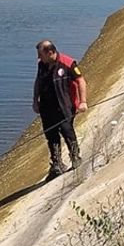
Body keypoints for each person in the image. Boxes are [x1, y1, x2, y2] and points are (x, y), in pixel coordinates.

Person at [33, 39, 87, 178]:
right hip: (46, 107)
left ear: (50, 52)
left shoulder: (68, 63)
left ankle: (75, 157)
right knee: (51, 136)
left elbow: (81, 81)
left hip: (64, 106)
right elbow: (38, 82)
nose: (39, 58)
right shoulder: (42, 65)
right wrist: (35, 101)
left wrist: (83, 102)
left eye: (41, 54)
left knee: (67, 132)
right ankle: (57, 163)